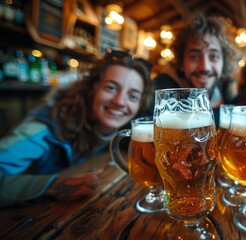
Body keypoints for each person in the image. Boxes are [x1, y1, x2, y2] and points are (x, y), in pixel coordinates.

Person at [0, 49, 153, 207]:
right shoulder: (45, 127)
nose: (120, 101)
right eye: (111, 88)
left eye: (133, 96)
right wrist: (52, 185)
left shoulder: (127, 131)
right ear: (92, 89)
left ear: (139, 105)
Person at [152, 13, 237, 126]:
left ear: (223, 62)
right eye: (195, 57)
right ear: (181, 63)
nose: (205, 67)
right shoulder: (159, 93)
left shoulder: (226, 92)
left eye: (213, 56)